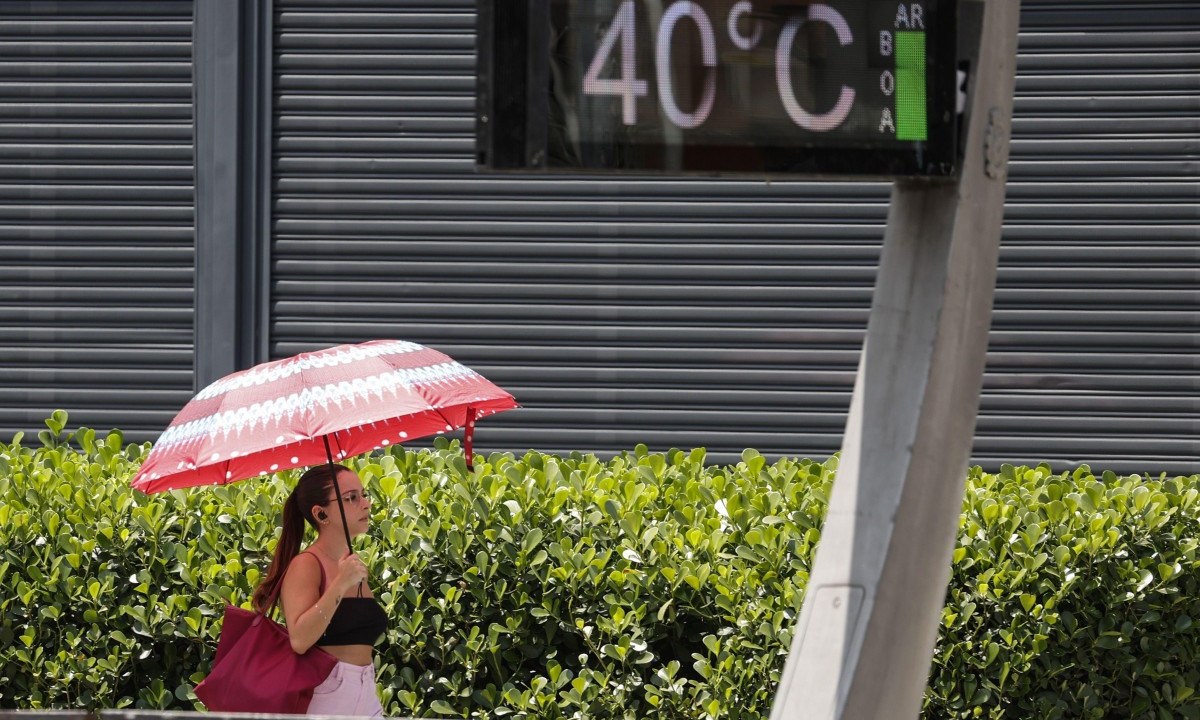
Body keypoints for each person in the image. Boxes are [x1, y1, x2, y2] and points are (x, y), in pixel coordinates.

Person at [251, 463, 388, 717]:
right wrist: (340, 583)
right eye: (351, 498)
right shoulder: (307, 565)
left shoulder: (351, 564)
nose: (366, 504)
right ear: (321, 514)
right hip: (328, 693)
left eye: (364, 494)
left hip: (366, 691)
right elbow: (300, 640)